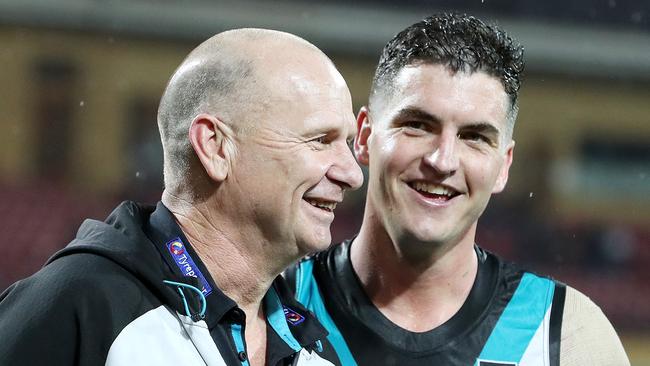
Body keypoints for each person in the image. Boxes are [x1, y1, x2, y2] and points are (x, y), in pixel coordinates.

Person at [0, 28, 363, 365]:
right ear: (216, 147)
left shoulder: (315, 348)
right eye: (320, 140)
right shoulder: (79, 308)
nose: (352, 174)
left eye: (347, 143)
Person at [287, 13, 630, 365]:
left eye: (474, 137)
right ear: (363, 137)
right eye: (418, 125)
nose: (443, 160)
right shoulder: (273, 306)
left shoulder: (564, 336)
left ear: (503, 166)